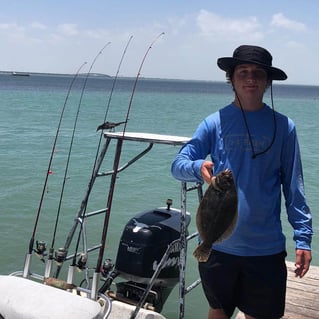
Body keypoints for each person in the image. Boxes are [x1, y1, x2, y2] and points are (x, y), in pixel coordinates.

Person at [171, 45, 313, 319]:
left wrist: (303, 239)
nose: (251, 78)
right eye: (243, 72)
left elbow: (294, 187)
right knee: (218, 311)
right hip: (217, 245)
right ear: (231, 79)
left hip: (266, 248)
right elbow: (177, 166)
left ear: (268, 81)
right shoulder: (214, 123)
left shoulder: (284, 127)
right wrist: (198, 166)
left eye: (258, 73)